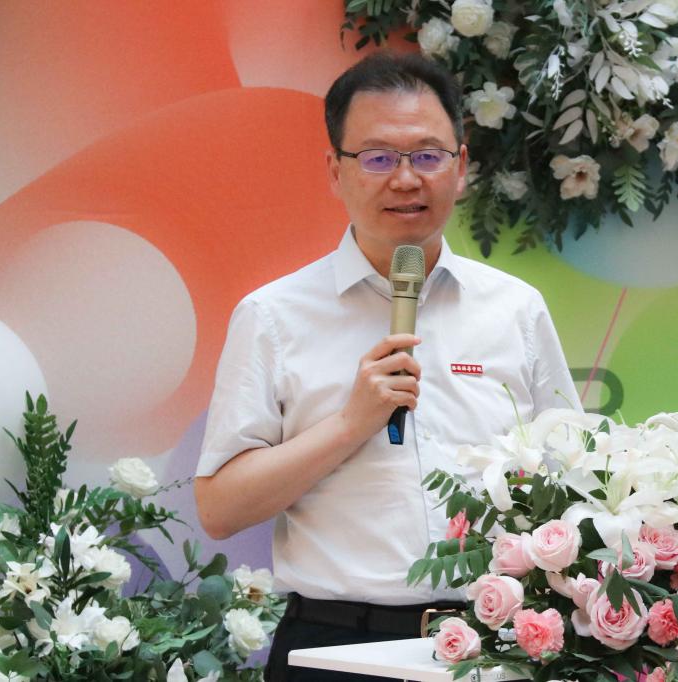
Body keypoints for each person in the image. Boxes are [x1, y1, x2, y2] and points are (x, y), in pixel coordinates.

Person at [194, 52, 580, 681]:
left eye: (427, 156)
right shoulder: (273, 316)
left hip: (496, 641)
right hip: (334, 647)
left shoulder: (515, 309)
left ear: (461, 166)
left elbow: (573, 478)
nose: (405, 179)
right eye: (377, 158)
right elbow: (220, 510)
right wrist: (352, 423)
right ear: (335, 170)